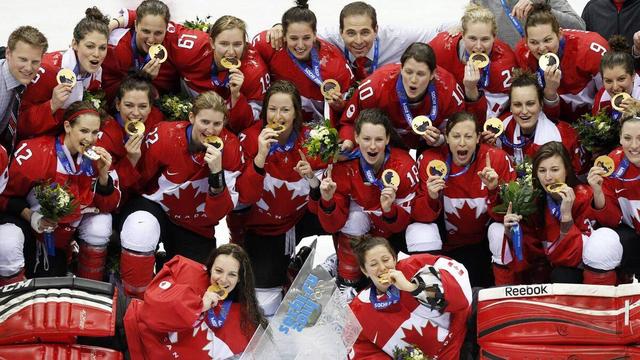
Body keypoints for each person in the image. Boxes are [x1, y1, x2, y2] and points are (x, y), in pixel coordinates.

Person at [117, 91, 243, 298]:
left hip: (195, 225)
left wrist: (216, 174)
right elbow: (138, 184)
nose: (210, 130)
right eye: (204, 121)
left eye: (217, 124)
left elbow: (217, 214)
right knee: (139, 229)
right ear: (191, 117)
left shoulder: (230, 148)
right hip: (156, 209)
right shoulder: (164, 136)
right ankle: (133, 305)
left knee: (193, 291)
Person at [234, 80, 328, 316]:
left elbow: (326, 197)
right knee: (264, 303)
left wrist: (312, 180)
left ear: (296, 113)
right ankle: (287, 269)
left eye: (285, 110)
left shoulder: (313, 142)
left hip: (300, 217)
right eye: (272, 109)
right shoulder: (249, 139)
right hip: (264, 229)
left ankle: (345, 275)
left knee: (348, 217)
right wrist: (260, 157)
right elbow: (242, 197)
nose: (278, 116)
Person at [0, 101, 120, 284]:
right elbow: (4, 196)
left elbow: (109, 206)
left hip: (62, 237)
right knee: (7, 241)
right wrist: (31, 217)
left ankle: (89, 288)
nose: (90, 139)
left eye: (95, 132)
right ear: (67, 126)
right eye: (84, 131)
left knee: (101, 225)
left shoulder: (99, 157)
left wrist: (104, 176)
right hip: (27, 229)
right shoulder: (35, 153)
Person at [311, 108, 417, 297]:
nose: (373, 146)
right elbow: (332, 225)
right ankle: (347, 279)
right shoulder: (343, 166)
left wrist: (389, 210)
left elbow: (402, 225)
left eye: (378, 140)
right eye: (367, 139)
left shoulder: (404, 166)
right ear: (357, 138)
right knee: (355, 219)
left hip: (391, 233)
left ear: (387, 140)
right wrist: (326, 200)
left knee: (420, 234)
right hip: (363, 229)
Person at [488, 141, 623, 285]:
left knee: (604, 241)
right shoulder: (533, 201)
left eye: (554, 169)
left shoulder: (584, 197)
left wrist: (566, 217)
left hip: (580, 272)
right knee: (497, 231)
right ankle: (507, 302)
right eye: (542, 171)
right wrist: (512, 235)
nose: (548, 177)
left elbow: (574, 257)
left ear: (567, 170)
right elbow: (529, 254)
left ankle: (598, 304)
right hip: (546, 273)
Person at [408, 111, 515, 287]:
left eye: (468, 136)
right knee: (419, 231)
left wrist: (493, 190)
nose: (462, 143)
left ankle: (503, 293)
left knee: (500, 231)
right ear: (447, 138)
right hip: (446, 246)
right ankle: (431, 296)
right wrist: (431, 198)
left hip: (483, 246)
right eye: (456, 136)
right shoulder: (430, 161)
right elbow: (418, 216)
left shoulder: (497, 159)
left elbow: (507, 216)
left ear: (478, 137)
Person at [124, 243, 266, 360]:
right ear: (210, 267)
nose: (223, 279)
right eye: (218, 271)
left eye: (232, 274)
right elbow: (153, 311)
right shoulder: (185, 270)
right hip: (132, 331)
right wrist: (198, 305)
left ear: (240, 278)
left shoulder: (245, 321)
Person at [340, 42, 485, 151]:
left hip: (430, 149)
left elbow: (467, 133)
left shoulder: (449, 90)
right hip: (384, 146)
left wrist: (440, 140)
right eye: (408, 72)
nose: (413, 80)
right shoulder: (375, 87)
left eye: (420, 74)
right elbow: (349, 123)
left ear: (433, 74)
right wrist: (348, 143)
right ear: (401, 68)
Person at [266, 1, 458, 82]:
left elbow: (440, 28)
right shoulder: (330, 36)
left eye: (365, 32)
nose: (358, 41)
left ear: (376, 29)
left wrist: (461, 27)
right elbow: (302, 31)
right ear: (340, 32)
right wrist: (278, 27)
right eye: (350, 33)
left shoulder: (397, 36)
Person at [349, 235, 472, 359]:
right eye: (373, 264)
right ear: (364, 270)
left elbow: (459, 295)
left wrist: (412, 287)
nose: (382, 268)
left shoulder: (416, 265)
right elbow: (363, 353)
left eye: (386, 260)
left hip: (464, 334)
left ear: (394, 259)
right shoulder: (358, 310)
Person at [252, 0, 353, 123]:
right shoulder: (269, 44)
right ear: (283, 35)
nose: (300, 45)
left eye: (306, 38)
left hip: (316, 130)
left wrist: (340, 106)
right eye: (293, 38)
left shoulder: (336, 65)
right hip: (276, 120)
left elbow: (351, 110)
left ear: (315, 35)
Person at [19, 8, 109, 139]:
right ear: (75, 44)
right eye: (90, 46)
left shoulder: (96, 73)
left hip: (65, 137)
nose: (97, 54)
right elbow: (18, 123)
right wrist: (52, 105)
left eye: (102, 48)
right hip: (36, 141)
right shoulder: (47, 70)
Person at [514, 3, 608, 121]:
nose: (542, 48)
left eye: (547, 40)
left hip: (597, 120)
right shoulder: (522, 53)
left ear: (559, 34)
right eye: (534, 42)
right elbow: (545, 117)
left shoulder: (591, 49)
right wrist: (550, 91)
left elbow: (611, 93)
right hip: (558, 123)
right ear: (526, 41)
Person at [176, 15, 270, 133]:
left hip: (225, 129)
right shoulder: (194, 47)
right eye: (224, 44)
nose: (231, 52)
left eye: (237, 44)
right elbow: (166, 33)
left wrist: (236, 96)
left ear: (245, 44)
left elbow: (248, 124)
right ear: (212, 43)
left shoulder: (255, 72)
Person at [429, 3, 517, 118]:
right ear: (463, 35)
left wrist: (471, 90)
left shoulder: (506, 62)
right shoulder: (440, 47)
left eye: (485, 39)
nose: (479, 46)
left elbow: (487, 120)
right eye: (472, 38)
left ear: (494, 37)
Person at [493, 70, 582, 172]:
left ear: (541, 105)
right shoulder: (500, 128)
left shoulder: (564, 136)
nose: (524, 111)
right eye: (517, 104)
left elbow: (578, 179)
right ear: (510, 107)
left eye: (530, 103)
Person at [587, 111, 640, 281]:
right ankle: (601, 304)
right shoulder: (612, 163)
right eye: (627, 138)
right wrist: (597, 190)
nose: (634, 145)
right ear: (620, 139)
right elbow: (610, 220)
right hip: (632, 236)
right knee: (601, 245)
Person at [96, 72, 165, 193]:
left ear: (151, 107)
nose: (136, 113)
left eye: (143, 106)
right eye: (129, 105)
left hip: (153, 192)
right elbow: (110, 189)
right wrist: (131, 159)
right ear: (118, 105)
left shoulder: (157, 119)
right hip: (124, 199)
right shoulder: (105, 135)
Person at [101, 0, 180, 101]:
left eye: (158, 33)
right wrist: (142, 79)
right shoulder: (116, 48)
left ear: (166, 29)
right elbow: (108, 96)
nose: (151, 39)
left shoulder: (172, 43)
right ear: (136, 26)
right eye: (146, 31)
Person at [0, 26, 47, 156]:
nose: (28, 68)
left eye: (35, 62)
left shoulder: (21, 81)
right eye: (23, 59)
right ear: (8, 53)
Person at [473, 0, 585, 48]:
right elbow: (468, 32)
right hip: (509, 70)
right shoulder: (481, 1)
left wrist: (540, 9)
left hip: (548, 63)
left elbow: (579, 27)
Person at [581, 0, 640, 70]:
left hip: (636, 73)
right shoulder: (592, 7)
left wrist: (637, 50)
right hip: (601, 76)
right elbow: (583, 50)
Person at [592, 36, 640, 117]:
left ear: (633, 76)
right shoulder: (601, 97)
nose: (615, 87)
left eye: (621, 79)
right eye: (608, 81)